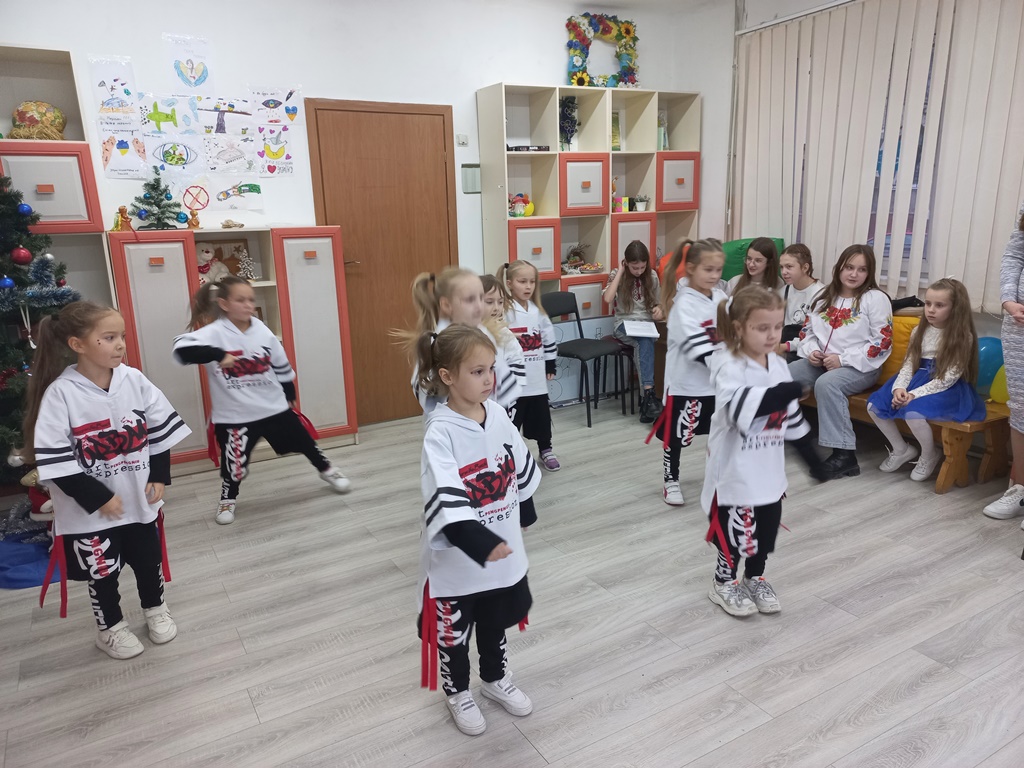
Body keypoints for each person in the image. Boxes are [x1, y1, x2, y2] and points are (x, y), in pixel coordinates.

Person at [24, 301, 191, 659]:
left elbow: (158, 431)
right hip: (91, 514)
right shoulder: (61, 393)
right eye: (109, 337)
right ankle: (110, 629)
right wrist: (98, 497)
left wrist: (159, 475)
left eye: (122, 336)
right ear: (78, 344)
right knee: (102, 573)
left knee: (147, 561)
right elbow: (56, 460)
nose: (120, 345)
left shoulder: (134, 380)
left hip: (137, 500)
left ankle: (156, 609)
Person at [415, 325, 540, 736]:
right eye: (477, 371)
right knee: (454, 631)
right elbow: (444, 492)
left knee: (494, 618)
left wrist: (525, 513)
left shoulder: (499, 414)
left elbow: (518, 466)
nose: (489, 379)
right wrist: (479, 542)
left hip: (500, 547)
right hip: (459, 559)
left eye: (491, 369)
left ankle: (494, 678)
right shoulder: (440, 431)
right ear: (448, 376)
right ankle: (457, 692)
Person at [172, 276, 351, 526]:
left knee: (305, 442)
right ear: (224, 304)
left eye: (251, 300)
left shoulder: (262, 330)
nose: (248, 305)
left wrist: (289, 395)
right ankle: (228, 498)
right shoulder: (213, 333)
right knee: (233, 465)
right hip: (235, 415)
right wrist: (218, 354)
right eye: (240, 300)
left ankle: (327, 470)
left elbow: (280, 364)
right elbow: (180, 350)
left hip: (273, 407)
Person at [702, 287, 823, 616]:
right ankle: (723, 582)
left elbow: (791, 417)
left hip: (768, 468)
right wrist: (788, 391)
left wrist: (812, 459)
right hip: (735, 470)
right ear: (739, 327)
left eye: (777, 326)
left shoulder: (779, 365)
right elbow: (741, 408)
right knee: (735, 532)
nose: (772, 335)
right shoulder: (728, 364)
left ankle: (755, 577)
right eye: (762, 328)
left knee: (765, 529)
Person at [789, 245, 893, 480]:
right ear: (839, 268)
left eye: (862, 269)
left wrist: (842, 359)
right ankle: (780, 434)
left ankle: (844, 455)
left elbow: (882, 343)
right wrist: (813, 351)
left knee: (828, 384)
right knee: (784, 375)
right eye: (849, 267)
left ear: (869, 273)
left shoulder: (875, 299)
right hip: (822, 362)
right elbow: (807, 333)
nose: (854, 274)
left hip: (862, 366)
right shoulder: (823, 296)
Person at [868, 279, 985, 481]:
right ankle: (901, 449)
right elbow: (908, 365)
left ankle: (929, 454)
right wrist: (899, 388)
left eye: (939, 305)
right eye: (928, 303)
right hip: (915, 378)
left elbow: (949, 377)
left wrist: (914, 394)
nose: (930, 310)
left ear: (955, 308)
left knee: (913, 413)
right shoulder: (919, 331)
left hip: (944, 386)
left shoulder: (963, 336)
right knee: (874, 406)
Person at [651, 239, 727, 506]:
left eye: (718, 270)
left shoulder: (721, 298)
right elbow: (698, 349)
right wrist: (727, 368)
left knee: (720, 434)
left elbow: (733, 332)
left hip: (714, 385)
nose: (714, 276)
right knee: (676, 437)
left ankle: (718, 479)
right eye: (708, 269)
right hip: (685, 385)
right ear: (692, 268)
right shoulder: (682, 305)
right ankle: (670, 480)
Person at [407, 268, 524, 415]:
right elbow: (423, 387)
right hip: (455, 420)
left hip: (488, 415)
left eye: (481, 298)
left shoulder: (484, 332)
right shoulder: (439, 340)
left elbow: (501, 379)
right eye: (470, 300)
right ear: (446, 305)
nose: (479, 306)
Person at [499, 261, 560, 471]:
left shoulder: (538, 311)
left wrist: (550, 363)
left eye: (532, 282)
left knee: (541, 417)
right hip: (514, 379)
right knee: (513, 421)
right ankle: (510, 455)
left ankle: (546, 449)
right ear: (509, 283)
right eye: (522, 281)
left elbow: (548, 337)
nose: (528, 286)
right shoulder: (505, 311)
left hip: (536, 377)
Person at [984, 202, 1024, 521]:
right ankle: (1020, 489)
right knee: (1021, 408)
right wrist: (1008, 298)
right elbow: (1015, 253)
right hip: (1019, 325)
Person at [602, 240, 665, 423]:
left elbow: (659, 303)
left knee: (647, 340)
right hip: (624, 323)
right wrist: (621, 272)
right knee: (644, 342)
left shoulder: (651, 276)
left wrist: (658, 310)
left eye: (642, 267)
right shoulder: (618, 274)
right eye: (634, 267)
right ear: (626, 263)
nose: (638, 271)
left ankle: (647, 400)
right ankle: (648, 395)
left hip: (646, 323)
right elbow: (607, 298)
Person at [777, 243, 824, 361]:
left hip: (806, 352)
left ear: (805, 268)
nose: (784, 272)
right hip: (784, 344)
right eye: (781, 267)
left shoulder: (821, 294)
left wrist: (784, 346)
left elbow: (819, 336)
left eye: (789, 267)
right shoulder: (783, 291)